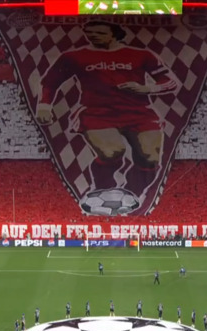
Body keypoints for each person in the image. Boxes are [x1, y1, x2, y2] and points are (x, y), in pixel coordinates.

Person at [34, 21, 181, 211]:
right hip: (97, 112)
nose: (92, 35)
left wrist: (148, 88)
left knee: (150, 157)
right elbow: (49, 82)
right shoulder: (73, 56)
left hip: (139, 112)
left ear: (114, 33)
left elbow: (170, 81)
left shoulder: (141, 54)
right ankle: (102, 190)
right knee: (112, 151)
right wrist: (44, 105)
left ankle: (130, 195)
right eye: (89, 32)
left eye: (99, 32)